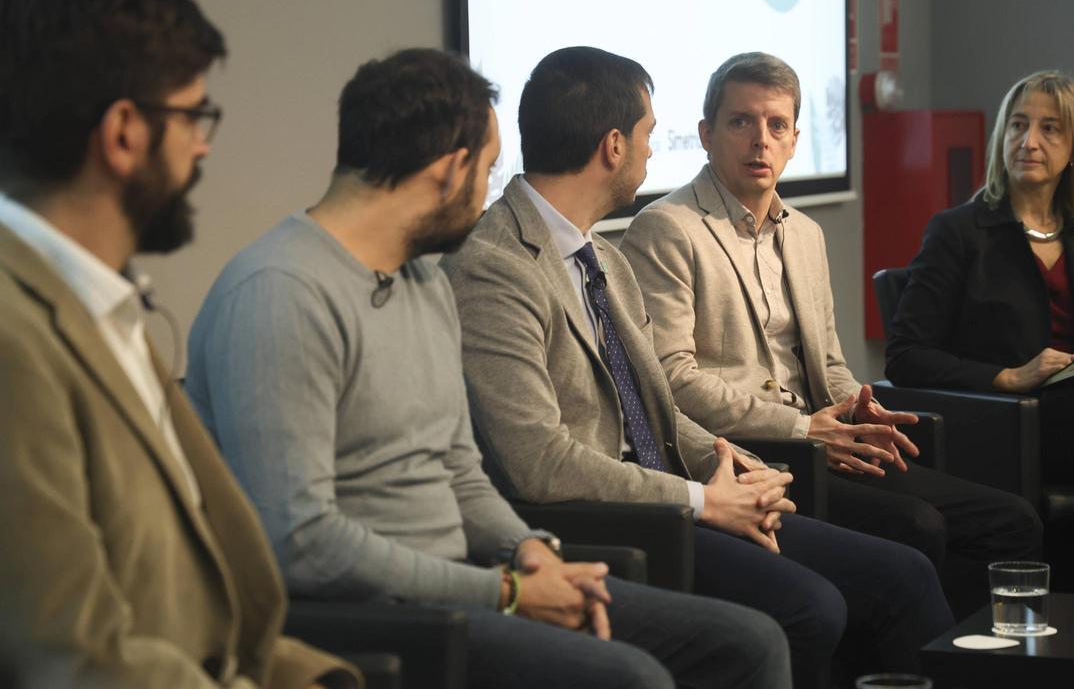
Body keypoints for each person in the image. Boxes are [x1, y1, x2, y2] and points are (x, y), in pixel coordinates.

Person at [186, 48, 791, 689]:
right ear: (450, 169)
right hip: (379, 619)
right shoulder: (281, 291)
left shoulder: (419, 279)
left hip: (471, 579)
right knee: (634, 678)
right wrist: (503, 591)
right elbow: (302, 541)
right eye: (490, 168)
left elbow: (461, 474)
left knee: (747, 643)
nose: (494, 193)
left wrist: (530, 552)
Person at [442, 45, 953, 687]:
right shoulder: (495, 266)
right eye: (649, 134)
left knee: (904, 575)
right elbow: (540, 464)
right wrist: (702, 500)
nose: (654, 152)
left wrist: (736, 464)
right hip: (616, 517)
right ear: (613, 146)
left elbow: (654, 402)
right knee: (812, 607)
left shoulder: (602, 254)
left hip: (678, 490)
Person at [0, 0, 355, 687]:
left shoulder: (102, 304)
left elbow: (200, 615)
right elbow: (78, 662)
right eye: (195, 116)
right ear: (125, 132)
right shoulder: (12, 337)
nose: (203, 145)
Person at [620, 51, 1042, 619]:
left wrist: (860, 409)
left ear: (795, 138)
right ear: (705, 134)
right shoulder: (667, 228)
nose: (760, 141)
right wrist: (803, 427)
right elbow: (670, 380)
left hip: (826, 439)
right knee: (918, 525)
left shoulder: (806, 236)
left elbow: (830, 361)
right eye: (741, 122)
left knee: (1011, 519)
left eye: (775, 126)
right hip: (756, 452)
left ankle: (966, 659)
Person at [885, 69, 1074, 514]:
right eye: (1018, 125)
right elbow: (905, 354)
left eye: (1049, 128)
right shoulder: (958, 232)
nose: (1029, 141)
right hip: (1010, 421)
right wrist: (1009, 376)